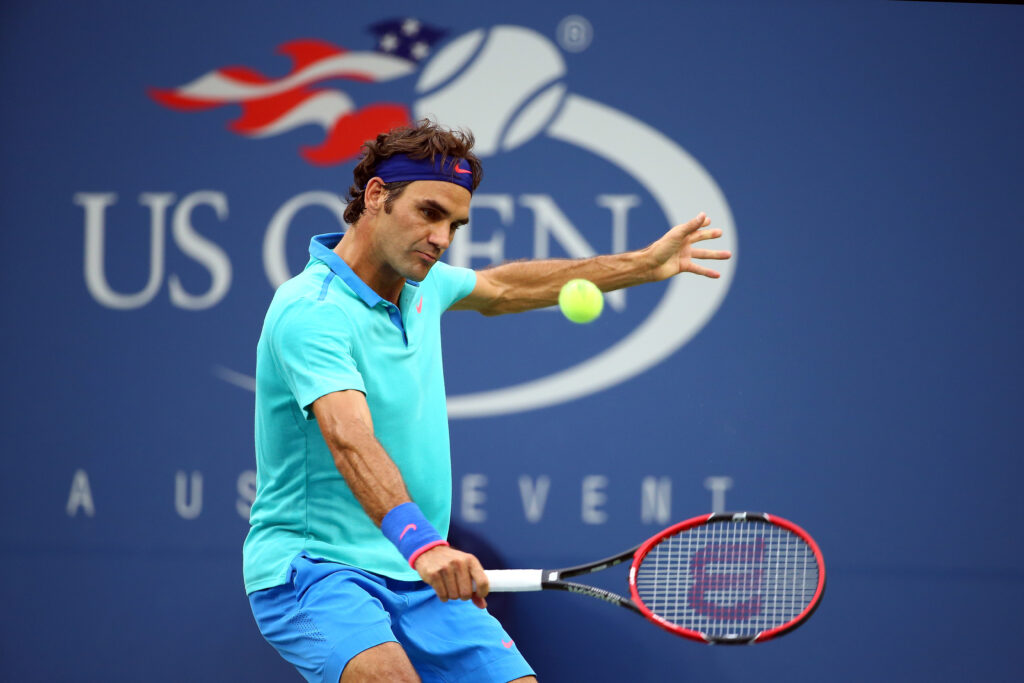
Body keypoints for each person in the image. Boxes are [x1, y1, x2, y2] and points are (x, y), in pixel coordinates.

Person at [242, 120, 732, 683]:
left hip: (417, 574)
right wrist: (425, 545)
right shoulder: (312, 311)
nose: (441, 238)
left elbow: (505, 288)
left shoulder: (425, 286)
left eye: (454, 224)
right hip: (315, 570)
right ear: (376, 195)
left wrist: (643, 265)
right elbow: (349, 438)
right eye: (429, 213)